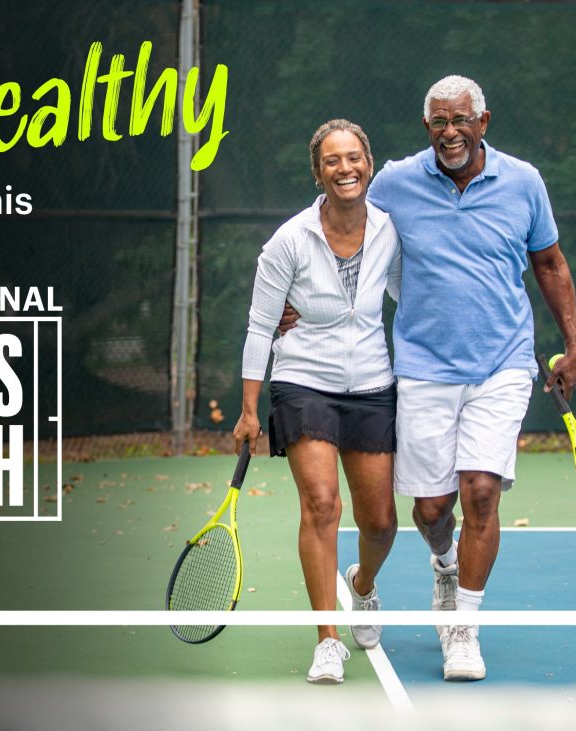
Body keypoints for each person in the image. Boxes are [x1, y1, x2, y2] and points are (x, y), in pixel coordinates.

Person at [281, 76, 576, 681]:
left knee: (481, 492)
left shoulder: (524, 182)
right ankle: (441, 560)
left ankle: (462, 627)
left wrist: (572, 346)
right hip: (420, 368)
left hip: (503, 364)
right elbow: (338, 220)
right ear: (428, 128)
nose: (450, 132)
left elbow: (548, 262)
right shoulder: (393, 182)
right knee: (430, 509)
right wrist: (296, 294)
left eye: (461, 120)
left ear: (484, 122)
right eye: (439, 122)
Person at [232, 119, 402, 685]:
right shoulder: (289, 240)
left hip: (373, 383)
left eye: (354, 157)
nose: (345, 168)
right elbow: (260, 325)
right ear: (318, 172)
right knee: (322, 505)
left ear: (369, 164)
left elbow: (411, 293)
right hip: (304, 380)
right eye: (333, 160)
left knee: (379, 522)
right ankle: (328, 639)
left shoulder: (390, 230)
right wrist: (250, 408)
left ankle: (363, 586)